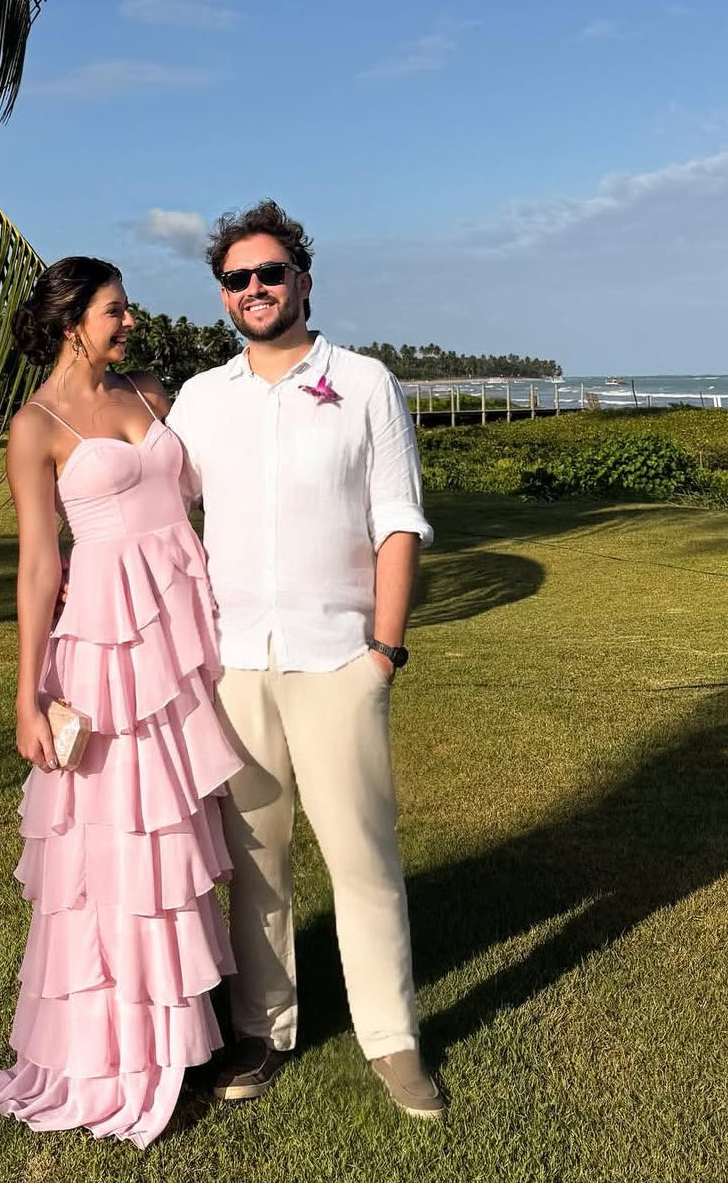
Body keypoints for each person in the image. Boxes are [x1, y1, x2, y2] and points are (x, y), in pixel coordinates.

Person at [165, 200, 447, 1117]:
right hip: (232, 663)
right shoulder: (202, 398)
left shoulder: (364, 383)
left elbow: (398, 519)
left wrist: (383, 653)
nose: (255, 288)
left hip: (339, 661)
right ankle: (261, 1026)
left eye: (270, 273)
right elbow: (160, 512)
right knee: (256, 860)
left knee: (363, 855)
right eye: (237, 278)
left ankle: (392, 1038)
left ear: (303, 282)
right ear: (224, 295)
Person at [0, 256, 242, 1148]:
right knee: (116, 841)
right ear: (71, 320)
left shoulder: (151, 391)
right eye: (115, 310)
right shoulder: (35, 425)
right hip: (106, 650)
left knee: (176, 831)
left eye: (128, 308)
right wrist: (26, 696)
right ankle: (112, 1052)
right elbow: (37, 566)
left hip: (182, 631)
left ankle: (180, 1027)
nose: (130, 322)